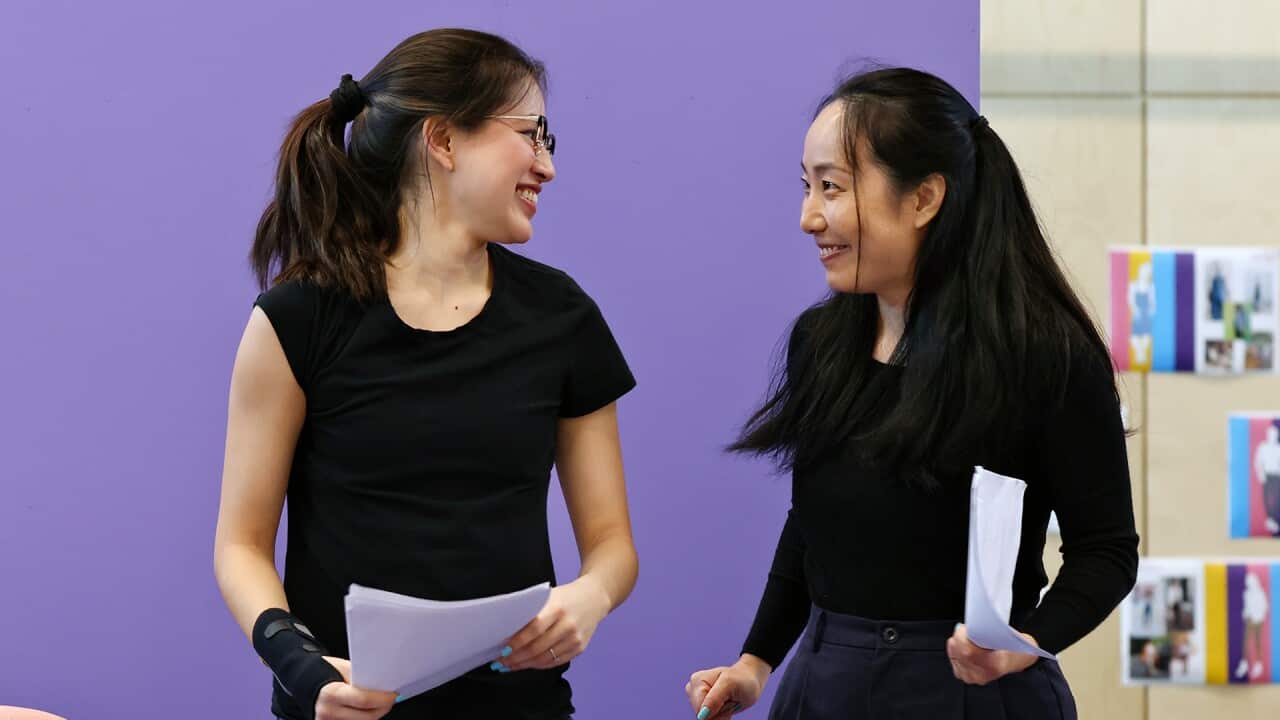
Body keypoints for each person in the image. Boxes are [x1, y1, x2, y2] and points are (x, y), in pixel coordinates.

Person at [684, 67, 1139, 719]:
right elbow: (811, 525)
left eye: (832, 187)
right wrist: (755, 662)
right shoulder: (820, 341)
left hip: (977, 691)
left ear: (924, 198)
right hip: (828, 682)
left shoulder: (1046, 356)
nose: (809, 217)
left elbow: (1106, 550)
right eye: (808, 186)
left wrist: (1026, 644)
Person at [213, 29, 638, 720]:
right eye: (530, 135)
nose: (547, 166)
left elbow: (613, 546)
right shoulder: (297, 318)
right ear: (442, 140)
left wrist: (591, 597)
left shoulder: (563, 316)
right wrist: (300, 664)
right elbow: (240, 545)